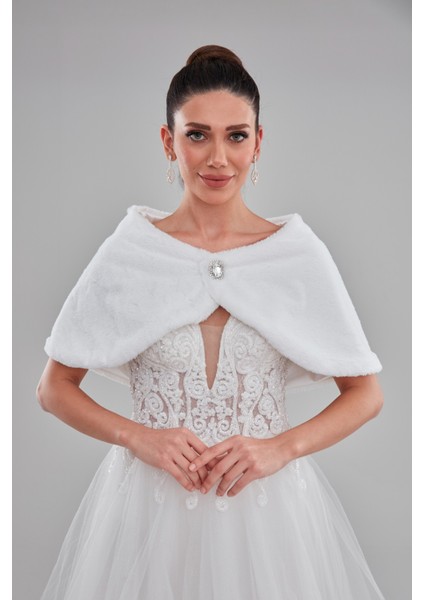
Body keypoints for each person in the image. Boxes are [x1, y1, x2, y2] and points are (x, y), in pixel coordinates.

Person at [37, 45, 386, 599]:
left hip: (268, 514)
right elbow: (54, 388)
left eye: (236, 136)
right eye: (197, 135)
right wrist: (138, 437)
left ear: (258, 142)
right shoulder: (132, 252)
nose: (218, 158)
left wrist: (280, 448)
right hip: (147, 511)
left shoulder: (294, 254)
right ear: (168, 141)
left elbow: (365, 394)